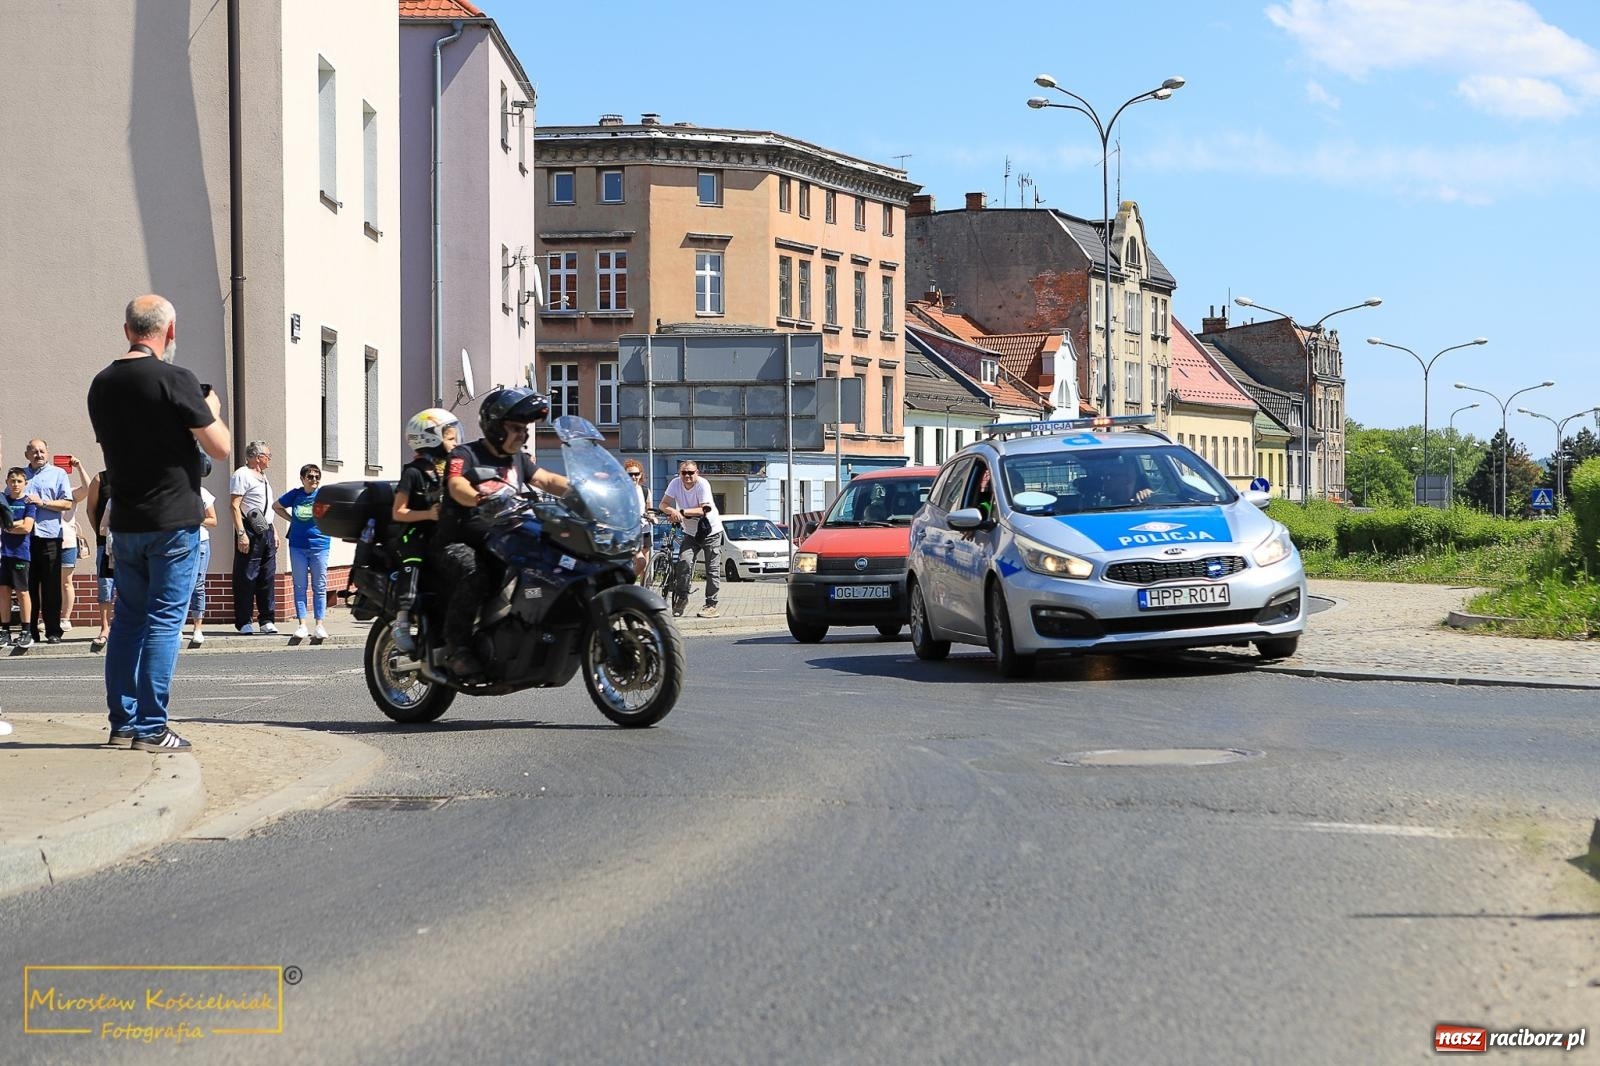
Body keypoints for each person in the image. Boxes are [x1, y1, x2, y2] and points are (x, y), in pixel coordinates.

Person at [86, 294, 231, 751]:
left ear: (126, 328)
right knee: (166, 622)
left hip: (126, 521)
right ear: (169, 333)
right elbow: (221, 447)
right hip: (173, 522)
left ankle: (122, 724)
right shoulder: (176, 379)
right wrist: (212, 408)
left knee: (128, 622)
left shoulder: (101, 384)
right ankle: (151, 727)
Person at [436, 386, 568, 678]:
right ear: (495, 426)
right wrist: (479, 498)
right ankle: (457, 648)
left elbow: (546, 479)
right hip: (461, 540)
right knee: (476, 573)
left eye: (525, 429)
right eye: (516, 428)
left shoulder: (518, 459)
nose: (523, 435)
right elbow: (456, 484)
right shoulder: (466, 453)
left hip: (505, 538)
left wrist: (582, 489)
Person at [389, 408, 460, 653]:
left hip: (443, 532)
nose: (455, 443)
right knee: (415, 554)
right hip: (415, 531)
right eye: (450, 438)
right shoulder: (413, 472)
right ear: (430, 438)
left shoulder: (448, 469)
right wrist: (428, 514)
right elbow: (399, 512)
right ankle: (402, 619)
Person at [23, 438, 73, 644]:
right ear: (27, 455)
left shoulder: (58, 474)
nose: (39, 455)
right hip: (25, 539)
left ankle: (53, 631)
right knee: (29, 586)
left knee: (52, 586)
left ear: (47, 452)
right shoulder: (20, 476)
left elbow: (67, 503)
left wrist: (41, 502)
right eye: (34, 451)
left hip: (50, 537)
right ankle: (30, 631)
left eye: (42, 451)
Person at [659, 460, 723, 618]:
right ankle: (682, 598)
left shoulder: (702, 484)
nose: (687, 476)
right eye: (684, 473)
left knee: (712, 570)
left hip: (711, 532)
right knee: (684, 562)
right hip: (691, 533)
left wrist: (682, 511)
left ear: (697, 473)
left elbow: (704, 509)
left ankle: (711, 604)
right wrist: (672, 511)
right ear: (679, 474)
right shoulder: (675, 483)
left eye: (691, 473)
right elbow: (663, 504)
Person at [274, 464, 330, 641]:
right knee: (300, 586)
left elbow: (332, 514)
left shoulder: (323, 496)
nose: (314, 479)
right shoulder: (296, 494)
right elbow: (277, 506)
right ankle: (302, 625)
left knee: (319, 586)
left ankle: (319, 625)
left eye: (317, 476)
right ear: (302, 479)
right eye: (310, 476)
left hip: (320, 545)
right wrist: (292, 520)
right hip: (298, 546)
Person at [229, 441, 278, 635]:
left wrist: (273, 531)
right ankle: (244, 621)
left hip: (265, 530)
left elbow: (266, 507)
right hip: (249, 529)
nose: (269, 459)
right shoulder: (242, 474)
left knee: (267, 575)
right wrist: (241, 533)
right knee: (246, 576)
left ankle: (266, 619)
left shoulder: (263, 477)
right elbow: (234, 505)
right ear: (258, 457)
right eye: (268, 455)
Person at [2, 468, 38, 648]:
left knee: (23, 592)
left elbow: (27, 528)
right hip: (4, 553)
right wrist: (13, 525)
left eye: (19, 481)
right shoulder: (3, 500)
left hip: (21, 554)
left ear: (25, 483)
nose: (15, 484)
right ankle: (5, 631)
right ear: (7, 482)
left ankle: (26, 630)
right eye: (12, 481)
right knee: (4, 591)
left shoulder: (28, 502)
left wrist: (7, 525)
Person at [62, 456, 93, 634]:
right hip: (45, 541)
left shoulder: (70, 492)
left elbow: (88, 488)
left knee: (66, 582)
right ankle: (46, 617)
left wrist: (79, 466)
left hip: (67, 542)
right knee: (45, 583)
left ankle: (65, 618)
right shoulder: (43, 493)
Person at [85, 469, 114, 651]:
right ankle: (105, 628)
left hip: (132, 544)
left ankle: (127, 630)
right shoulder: (100, 478)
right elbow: (91, 509)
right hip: (107, 544)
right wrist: (101, 533)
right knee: (105, 586)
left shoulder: (137, 474)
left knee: (131, 587)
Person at [185, 484, 217, 646]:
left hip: (200, 542)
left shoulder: (202, 492)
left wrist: (196, 520)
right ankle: (176, 627)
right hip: (179, 543)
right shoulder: (171, 491)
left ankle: (197, 628)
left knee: (198, 585)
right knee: (180, 586)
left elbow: (213, 520)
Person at [622, 458, 650, 581]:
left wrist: (652, 517)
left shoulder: (645, 491)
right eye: (630, 474)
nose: (633, 477)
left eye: (636, 474)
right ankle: (627, 583)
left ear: (641, 475)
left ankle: (644, 591)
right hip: (629, 531)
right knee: (639, 562)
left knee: (645, 564)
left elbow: (649, 509)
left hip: (644, 529)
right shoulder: (621, 491)